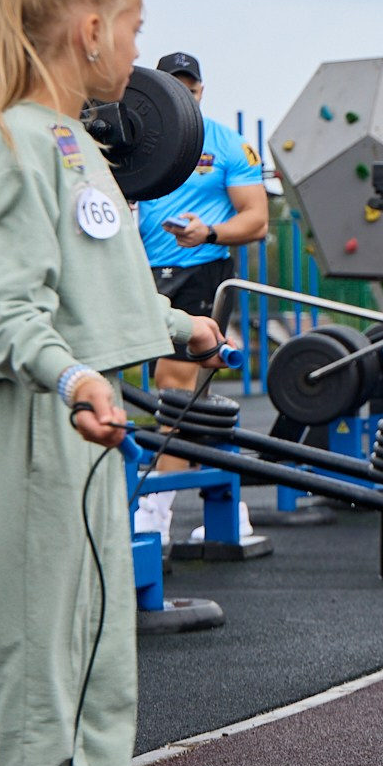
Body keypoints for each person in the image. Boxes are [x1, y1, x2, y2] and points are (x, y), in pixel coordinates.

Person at [0, 0, 226, 766]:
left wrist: (175, 327)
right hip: (39, 415)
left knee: (105, 673)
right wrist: (72, 376)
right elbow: (9, 303)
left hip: (87, 418)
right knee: (45, 674)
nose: (141, 51)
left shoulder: (74, 139)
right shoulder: (12, 141)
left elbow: (91, 279)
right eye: (136, 29)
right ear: (92, 28)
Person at [133, 51, 269, 549]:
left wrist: (209, 232)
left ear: (201, 91)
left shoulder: (227, 144)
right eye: (173, 86)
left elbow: (256, 219)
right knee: (193, 399)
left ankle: (155, 510)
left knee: (175, 385)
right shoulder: (139, 137)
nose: (183, 95)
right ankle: (231, 505)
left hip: (203, 272)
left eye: (190, 88)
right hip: (144, 273)